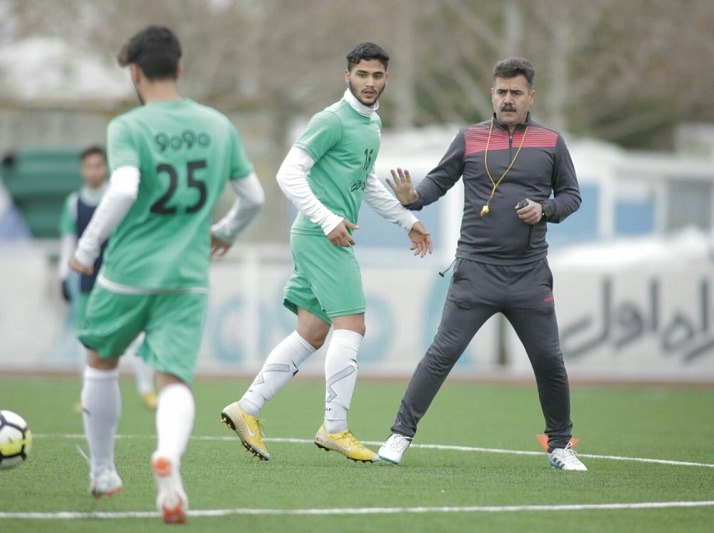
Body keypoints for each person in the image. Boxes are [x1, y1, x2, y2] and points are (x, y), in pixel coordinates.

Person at [70, 25, 264, 523]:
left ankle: (104, 472)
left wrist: (87, 247)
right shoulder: (218, 125)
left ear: (134, 72)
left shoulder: (128, 127)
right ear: (179, 68)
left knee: (101, 362)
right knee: (173, 379)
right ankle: (168, 458)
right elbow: (254, 197)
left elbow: (123, 188)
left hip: (126, 272)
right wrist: (226, 232)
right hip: (187, 275)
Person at [221, 42, 432, 463]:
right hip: (323, 236)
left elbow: (366, 182)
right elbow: (287, 174)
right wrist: (327, 219)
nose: (369, 82)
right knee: (352, 327)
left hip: (318, 234)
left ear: (386, 79)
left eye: (377, 75)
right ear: (347, 75)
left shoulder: (371, 123)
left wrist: (407, 220)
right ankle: (334, 428)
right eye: (362, 74)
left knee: (312, 333)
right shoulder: (332, 120)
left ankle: (246, 408)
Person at [378, 57, 586, 471]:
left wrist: (545, 209)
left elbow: (571, 196)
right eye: (501, 92)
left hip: (529, 275)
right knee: (441, 354)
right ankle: (399, 435)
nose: (508, 99)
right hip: (476, 271)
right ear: (492, 94)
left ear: (531, 97)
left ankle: (560, 446)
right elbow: (438, 181)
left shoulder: (551, 141)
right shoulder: (469, 137)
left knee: (549, 360)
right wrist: (413, 198)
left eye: (516, 93)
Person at [58, 146, 157, 411]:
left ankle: (146, 389)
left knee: (137, 335)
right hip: (88, 280)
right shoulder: (74, 203)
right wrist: (63, 276)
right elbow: (68, 240)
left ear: (107, 168)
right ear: (82, 170)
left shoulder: (119, 197)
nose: (94, 171)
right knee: (87, 337)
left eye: (98, 165)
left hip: (121, 275)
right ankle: (87, 393)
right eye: (89, 166)